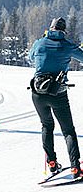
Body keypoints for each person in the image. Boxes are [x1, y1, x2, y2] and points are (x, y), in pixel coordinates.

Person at [28, 17, 83, 179]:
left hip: (37, 92)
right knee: (68, 131)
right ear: (63, 30)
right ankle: (75, 167)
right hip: (58, 93)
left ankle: (52, 163)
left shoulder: (39, 43)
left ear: (50, 28)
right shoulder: (67, 45)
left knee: (46, 126)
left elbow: (31, 57)